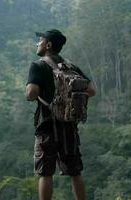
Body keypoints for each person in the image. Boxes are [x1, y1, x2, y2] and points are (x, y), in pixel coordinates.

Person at [25, 29, 96, 200]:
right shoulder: (71, 67)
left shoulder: (38, 65)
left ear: (48, 45)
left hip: (47, 127)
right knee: (75, 172)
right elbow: (92, 90)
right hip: (69, 127)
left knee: (46, 173)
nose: (38, 43)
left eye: (40, 40)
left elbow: (31, 93)